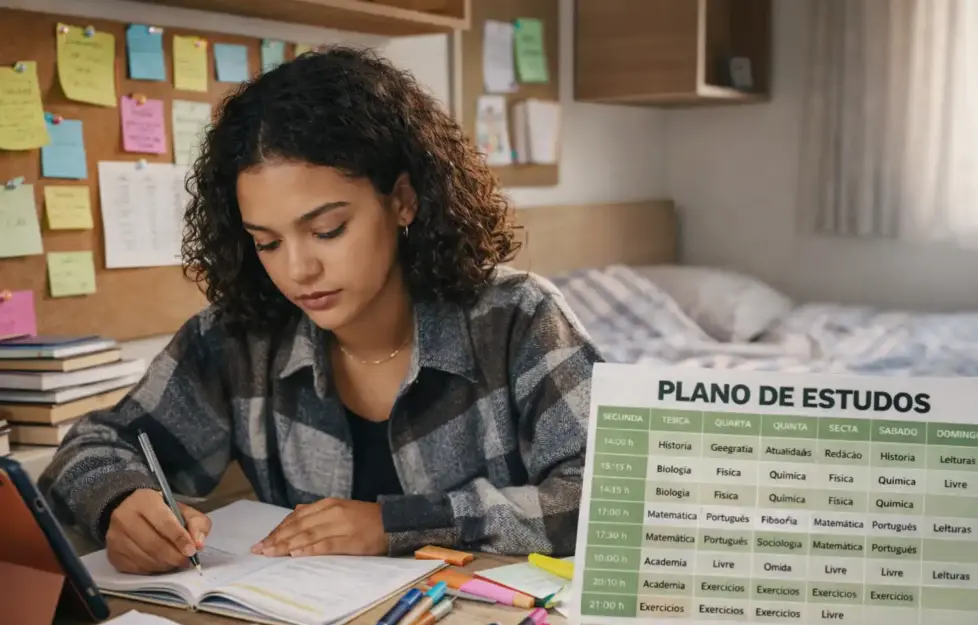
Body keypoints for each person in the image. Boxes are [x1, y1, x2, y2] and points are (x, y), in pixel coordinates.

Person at [38, 47, 600, 575]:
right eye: (268, 243)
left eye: (327, 230)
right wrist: (121, 503)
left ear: (402, 200)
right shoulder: (237, 340)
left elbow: (605, 499)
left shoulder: (518, 318)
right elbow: (92, 444)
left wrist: (398, 524)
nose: (298, 270)